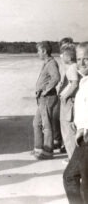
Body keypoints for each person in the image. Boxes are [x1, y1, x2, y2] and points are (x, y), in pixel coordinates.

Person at [63, 42, 88, 204]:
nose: (82, 63)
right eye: (79, 59)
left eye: (87, 58)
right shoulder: (84, 81)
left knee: (82, 183)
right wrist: (78, 122)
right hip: (83, 136)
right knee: (71, 177)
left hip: (87, 138)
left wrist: (84, 127)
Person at [33, 41, 60, 160]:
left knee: (47, 125)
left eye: (39, 51)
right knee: (36, 123)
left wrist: (46, 90)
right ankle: (39, 149)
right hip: (42, 99)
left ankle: (48, 151)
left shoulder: (51, 63)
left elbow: (56, 78)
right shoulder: (46, 63)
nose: (37, 53)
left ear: (44, 51)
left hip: (47, 98)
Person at [59, 44, 79, 162]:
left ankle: (72, 159)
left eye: (63, 55)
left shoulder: (72, 67)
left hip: (68, 103)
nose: (61, 57)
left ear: (68, 57)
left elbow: (74, 84)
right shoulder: (76, 66)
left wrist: (65, 96)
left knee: (67, 132)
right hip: (72, 102)